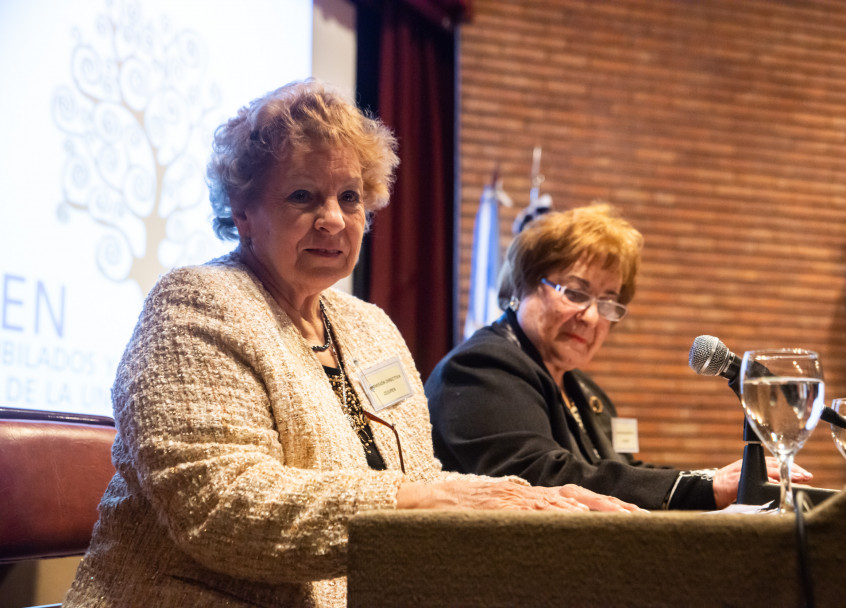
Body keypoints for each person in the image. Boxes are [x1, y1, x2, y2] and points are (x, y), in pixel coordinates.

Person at [63, 81, 639, 608]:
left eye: (349, 197)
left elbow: (424, 477)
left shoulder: (370, 327)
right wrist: (417, 501)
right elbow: (223, 508)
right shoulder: (194, 305)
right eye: (302, 196)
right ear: (243, 213)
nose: (333, 220)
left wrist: (531, 504)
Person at [425, 203, 812, 510]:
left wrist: (714, 480)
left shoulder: (582, 389)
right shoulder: (481, 368)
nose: (592, 317)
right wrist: (704, 488)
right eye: (575, 293)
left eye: (609, 302)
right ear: (525, 284)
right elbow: (542, 476)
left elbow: (620, 472)